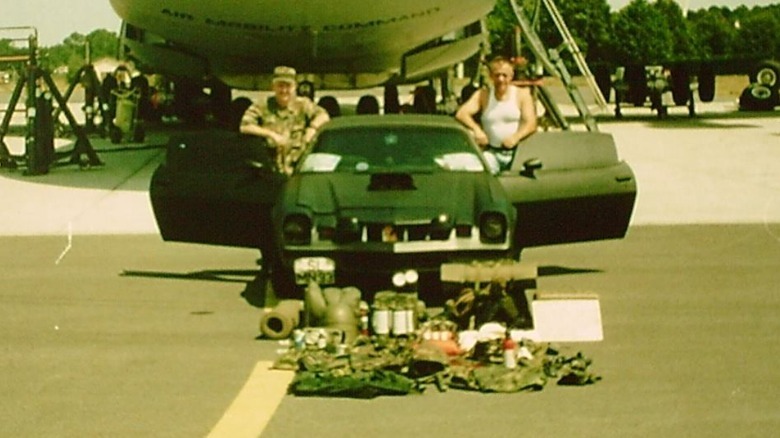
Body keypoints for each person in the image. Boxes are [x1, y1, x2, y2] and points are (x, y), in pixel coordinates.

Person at [240, 66, 330, 174]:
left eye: (288, 86)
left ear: (295, 87)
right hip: (270, 172)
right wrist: (271, 135)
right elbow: (244, 126)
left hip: (298, 171)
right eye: (280, 86)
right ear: (273, 87)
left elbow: (324, 116)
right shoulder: (262, 105)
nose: (284, 90)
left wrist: (312, 128)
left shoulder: (303, 105)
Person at [455, 56, 538, 174]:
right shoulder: (483, 95)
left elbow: (531, 124)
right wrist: (477, 130)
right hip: (492, 153)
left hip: (517, 154)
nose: (501, 79)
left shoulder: (522, 95)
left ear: (511, 76)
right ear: (491, 76)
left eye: (505, 75)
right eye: (497, 75)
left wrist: (516, 137)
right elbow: (461, 114)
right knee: (472, 169)